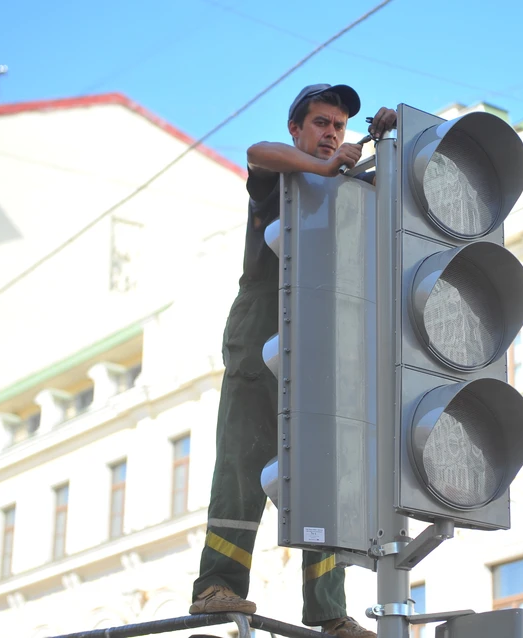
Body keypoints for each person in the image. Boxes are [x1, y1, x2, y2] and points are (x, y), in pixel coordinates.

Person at [189, 83, 397, 638]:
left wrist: (392, 138)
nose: (331, 134)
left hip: (322, 325)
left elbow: (395, 199)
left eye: (339, 127)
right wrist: (323, 169)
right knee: (245, 453)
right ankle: (218, 585)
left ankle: (328, 610)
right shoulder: (281, 174)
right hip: (264, 318)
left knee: (325, 464)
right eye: (321, 123)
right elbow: (256, 153)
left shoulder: (349, 186)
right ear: (298, 130)